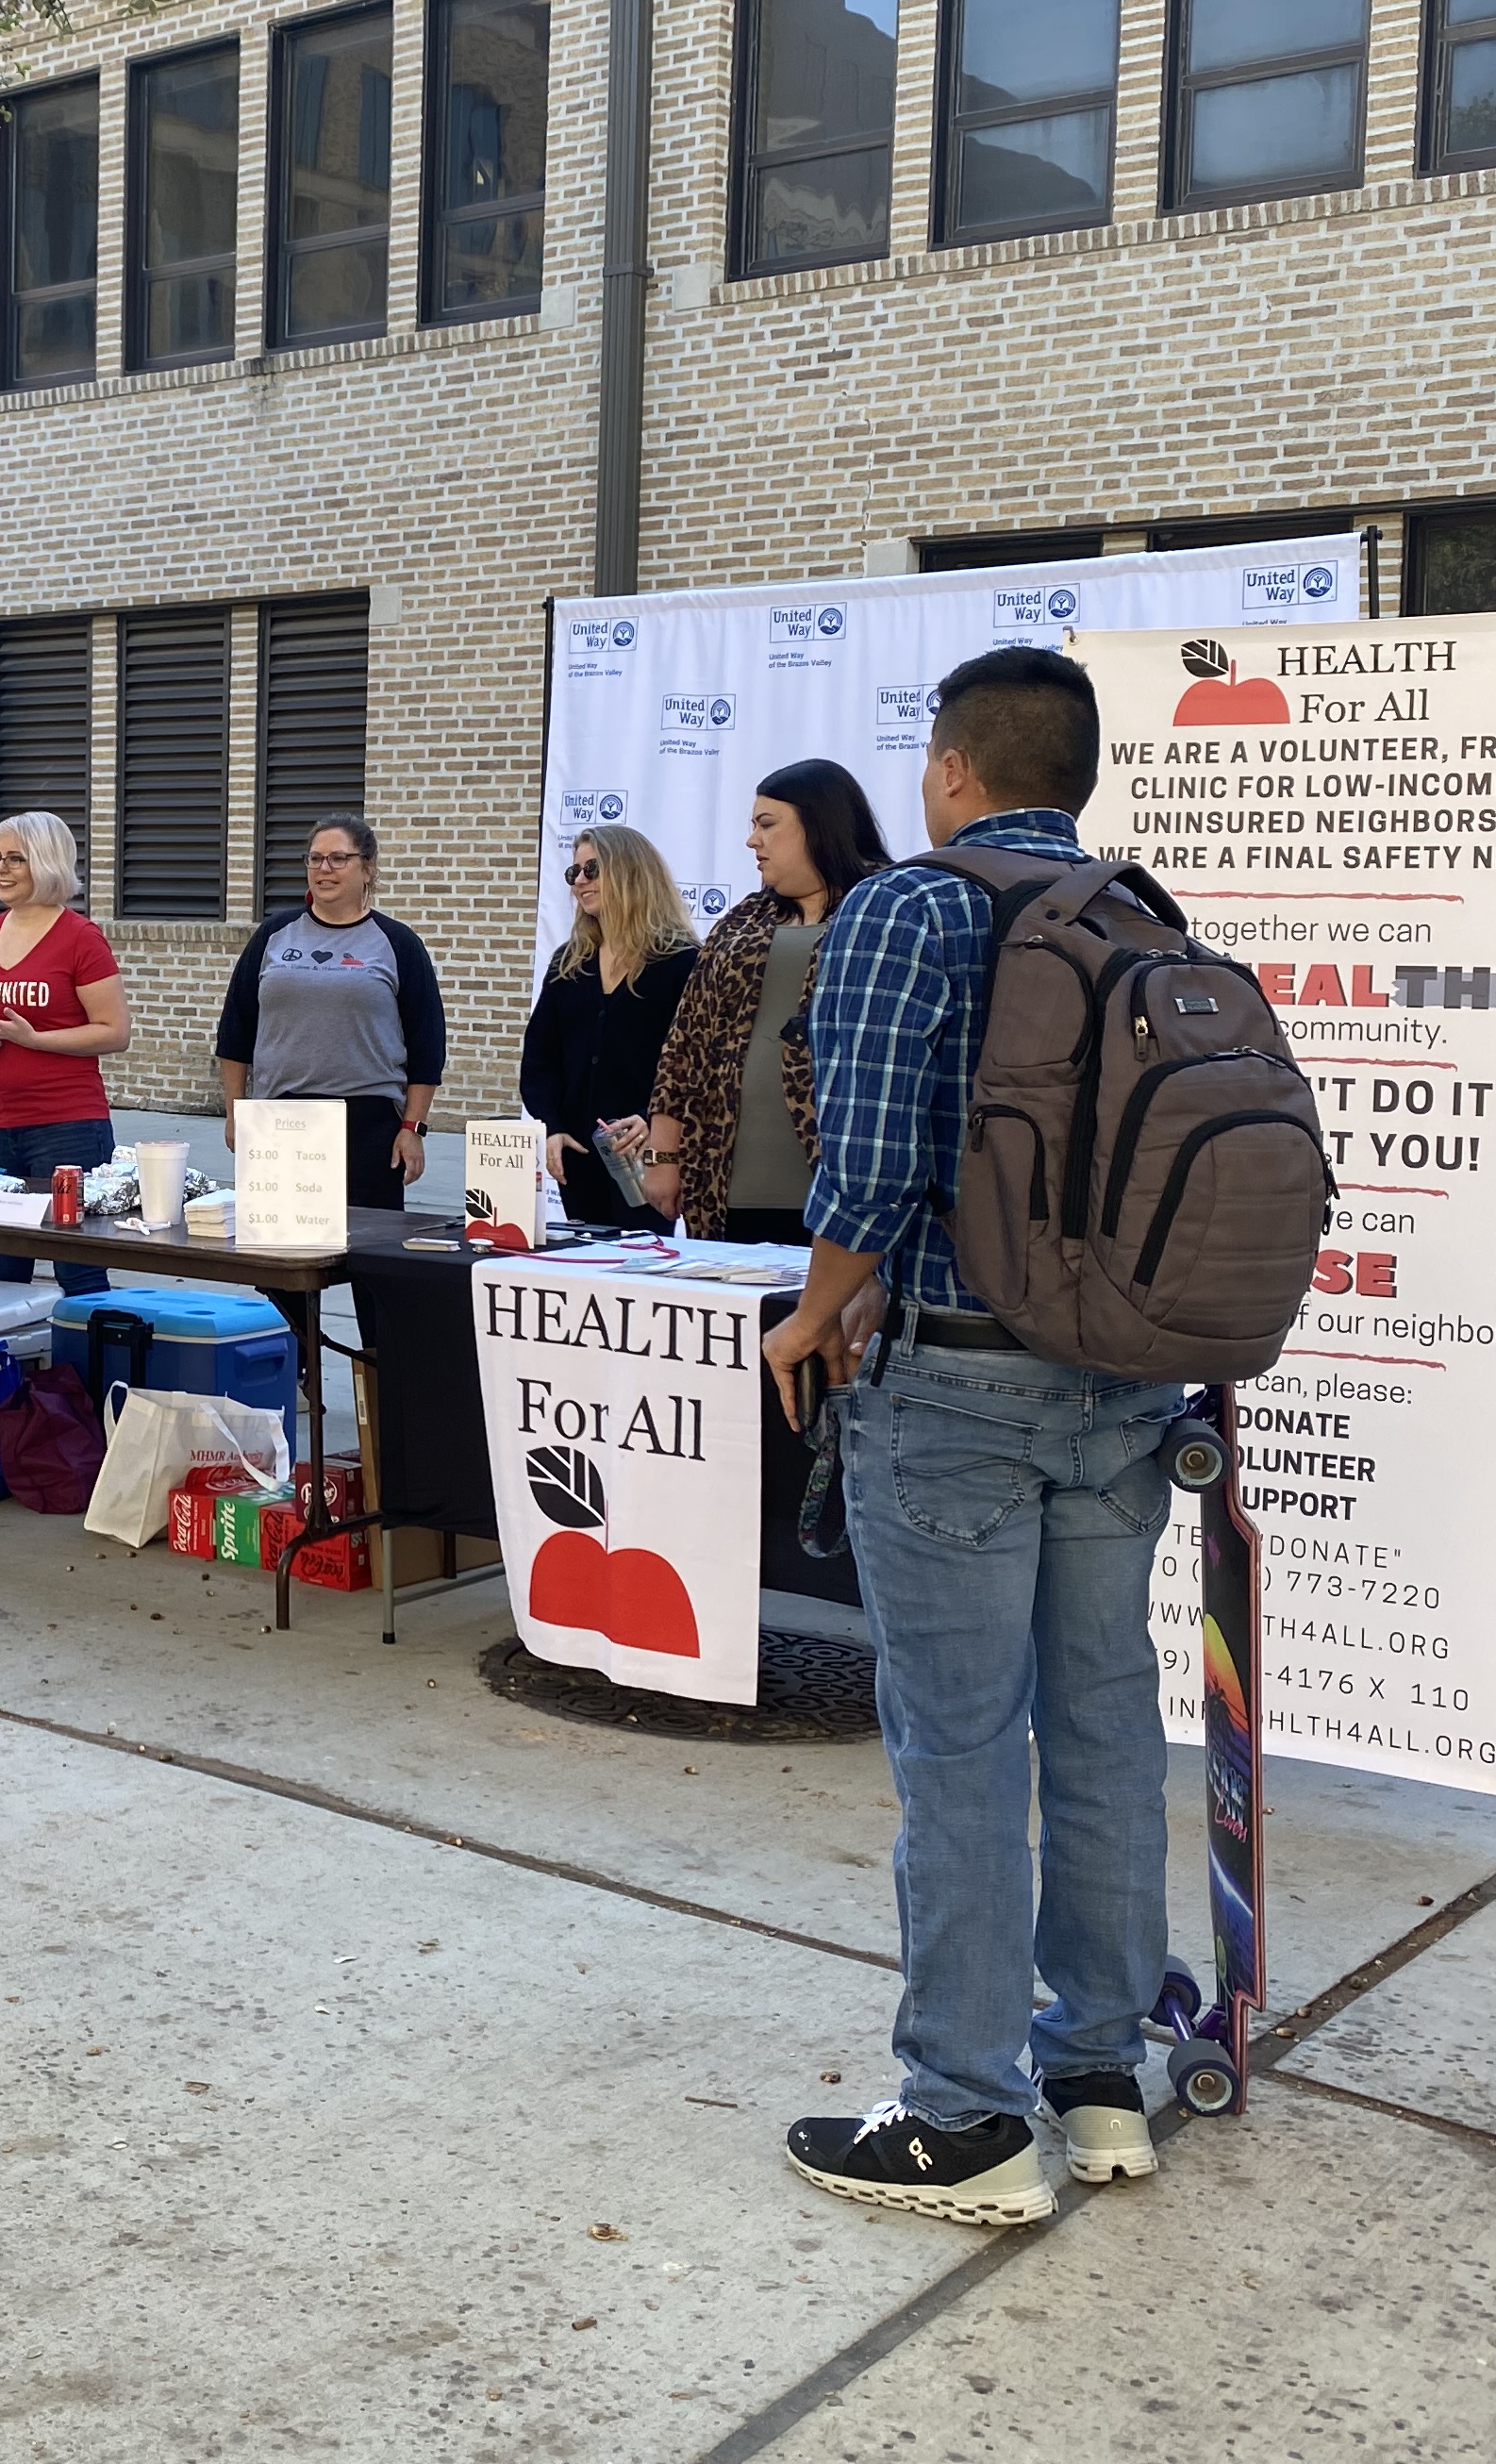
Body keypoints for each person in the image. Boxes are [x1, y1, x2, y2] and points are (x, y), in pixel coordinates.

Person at [763, 648, 1187, 2226]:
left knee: (954, 1750)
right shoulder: (1143, 913)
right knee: (1097, 1733)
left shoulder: (906, 909)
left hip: (952, 1383)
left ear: (949, 769)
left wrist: (814, 1311)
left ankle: (961, 2112)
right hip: (1121, 1387)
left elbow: (865, 1167)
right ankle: (1097, 2079)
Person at [642, 759, 894, 1242]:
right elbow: (684, 1047)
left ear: (820, 825)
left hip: (845, 1189)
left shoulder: (884, 907)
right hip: (727, 1183)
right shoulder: (742, 920)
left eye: (767, 824)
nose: (752, 839)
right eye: (752, 825)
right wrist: (663, 1156)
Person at [212, 814, 445, 1212]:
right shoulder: (273, 935)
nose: (324, 869)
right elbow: (235, 1034)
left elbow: (427, 1048)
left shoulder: (397, 943)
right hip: (281, 1118)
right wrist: (236, 1114)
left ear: (368, 867)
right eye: (315, 858)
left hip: (369, 1123)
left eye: (339, 858)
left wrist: (412, 1127)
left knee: (371, 1260)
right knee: (278, 1261)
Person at [0, 809, 129, 1291]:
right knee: (1, 1273)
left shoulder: (81, 937)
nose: (2, 869)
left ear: (49, 862)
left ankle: (88, 1366)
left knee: (77, 1267)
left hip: (67, 1128)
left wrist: (35, 1040)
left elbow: (115, 1031)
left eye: (17, 858)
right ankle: (18, 1368)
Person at [515, 823, 695, 1234]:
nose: (580, 881)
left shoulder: (682, 962)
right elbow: (540, 1058)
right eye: (573, 872)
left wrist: (657, 1123)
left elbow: (696, 1067)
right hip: (579, 1152)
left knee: (644, 1271)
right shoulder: (569, 962)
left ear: (630, 871)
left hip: (647, 1152)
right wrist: (552, 1128)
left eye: (592, 869)